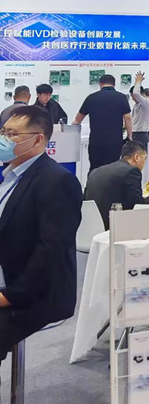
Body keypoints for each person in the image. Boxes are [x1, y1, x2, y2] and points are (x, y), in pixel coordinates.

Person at [0, 106, 82, 363]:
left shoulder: (56, 181)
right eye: (3, 132)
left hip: (34, 292)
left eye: (12, 134)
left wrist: (9, 296)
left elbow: (51, 250)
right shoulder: (9, 175)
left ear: (37, 140)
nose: (4, 140)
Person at [84, 140, 149, 230]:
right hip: (115, 226)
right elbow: (138, 205)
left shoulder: (95, 172)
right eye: (145, 159)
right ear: (136, 157)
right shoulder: (131, 171)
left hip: (90, 227)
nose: (144, 163)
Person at [73, 75, 133, 173]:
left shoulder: (91, 98)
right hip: (114, 142)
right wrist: (130, 136)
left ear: (100, 84)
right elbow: (128, 118)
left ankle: (93, 183)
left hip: (96, 142)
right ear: (114, 84)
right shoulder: (121, 98)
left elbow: (78, 119)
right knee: (113, 169)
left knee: (95, 168)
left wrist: (74, 125)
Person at [129, 72, 149, 147]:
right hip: (135, 133)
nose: (132, 98)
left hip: (141, 134)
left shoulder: (148, 103)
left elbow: (136, 93)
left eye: (132, 96)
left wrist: (138, 81)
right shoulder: (137, 105)